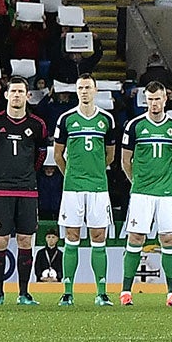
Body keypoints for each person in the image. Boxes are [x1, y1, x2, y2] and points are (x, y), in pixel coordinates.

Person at [0, 78, 49, 304]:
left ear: (28, 96)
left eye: (21, 91)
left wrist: (26, 174)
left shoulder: (38, 125)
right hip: (0, 190)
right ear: (6, 95)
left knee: (25, 241)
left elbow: (41, 155)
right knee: (0, 242)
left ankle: (23, 294)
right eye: (14, 91)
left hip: (28, 190)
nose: (17, 95)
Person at [118, 82, 172, 307]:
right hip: (141, 192)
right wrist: (136, 183)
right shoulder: (134, 125)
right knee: (135, 238)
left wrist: (170, 177)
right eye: (149, 99)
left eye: (157, 99)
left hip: (166, 193)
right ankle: (126, 291)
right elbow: (125, 160)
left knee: (168, 239)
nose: (153, 104)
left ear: (165, 98)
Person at [54, 74, 117, 306]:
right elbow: (58, 155)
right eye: (80, 87)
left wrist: (96, 173)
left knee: (98, 237)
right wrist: (71, 175)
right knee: (72, 237)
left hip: (98, 188)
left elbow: (110, 155)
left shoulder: (107, 120)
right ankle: (67, 292)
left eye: (87, 87)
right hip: (73, 188)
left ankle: (101, 292)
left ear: (95, 90)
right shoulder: (66, 119)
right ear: (76, 91)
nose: (83, 91)